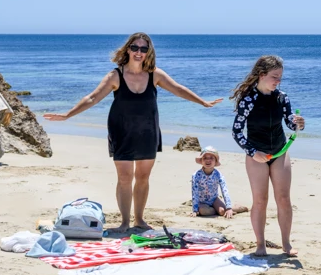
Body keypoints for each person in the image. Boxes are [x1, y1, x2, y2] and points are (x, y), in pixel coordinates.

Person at [43, 33, 222, 231]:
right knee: (125, 178)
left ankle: (139, 219)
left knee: (143, 178)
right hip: (122, 132)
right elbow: (93, 98)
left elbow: (178, 89)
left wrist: (202, 101)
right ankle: (124, 222)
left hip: (148, 132)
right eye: (135, 48)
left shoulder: (155, 74)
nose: (139, 52)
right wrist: (68, 114)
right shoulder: (115, 75)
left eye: (143, 49)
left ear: (148, 52)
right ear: (128, 49)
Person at [231, 54, 306, 256]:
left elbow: (289, 121)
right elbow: (236, 131)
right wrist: (253, 152)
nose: (278, 81)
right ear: (262, 75)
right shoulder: (248, 100)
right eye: (275, 76)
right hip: (257, 153)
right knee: (260, 200)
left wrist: (298, 123)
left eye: (280, 77)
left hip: (280, 151)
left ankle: (286, 244)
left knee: (283, 198)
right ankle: (260, 244)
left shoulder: (282, 97)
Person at [191, 146, 238, 218]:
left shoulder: (218, 175)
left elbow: (225, 190)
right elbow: (195, 193)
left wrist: (228, 207)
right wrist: (195, 210)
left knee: (222, 211)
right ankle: (217, 210)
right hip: (202, 202)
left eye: (211, 158)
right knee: (203, 211)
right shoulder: (196, 175)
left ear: (216, 161)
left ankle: (232, 208)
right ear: (201, 160)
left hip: (214, 199)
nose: (208, 160)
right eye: (205, 158)